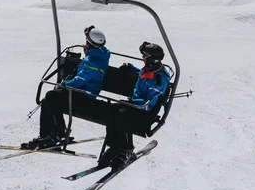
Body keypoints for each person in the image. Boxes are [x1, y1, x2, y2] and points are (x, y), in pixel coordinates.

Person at [22, 25, 110, 150]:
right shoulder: (99, 56)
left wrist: (62, 84)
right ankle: (47, 135)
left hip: (84, 97)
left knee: (51, 97)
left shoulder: (93, 63)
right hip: (81, 93)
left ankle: (59, 133)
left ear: (89, 43)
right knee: (48, 100)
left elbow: (78, 82)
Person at [101, 41, 171, 170]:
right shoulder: (150, 70)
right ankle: (114, 147)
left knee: (122, 115)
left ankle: (127, 150)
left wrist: (131, 104)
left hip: (146, 112)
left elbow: (149, 103)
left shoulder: (159, 79)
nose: (142, 58)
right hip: (136, 106)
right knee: (112, 109)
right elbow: (143, 75)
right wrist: (131, 68)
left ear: (151, 59)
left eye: (144, 56)